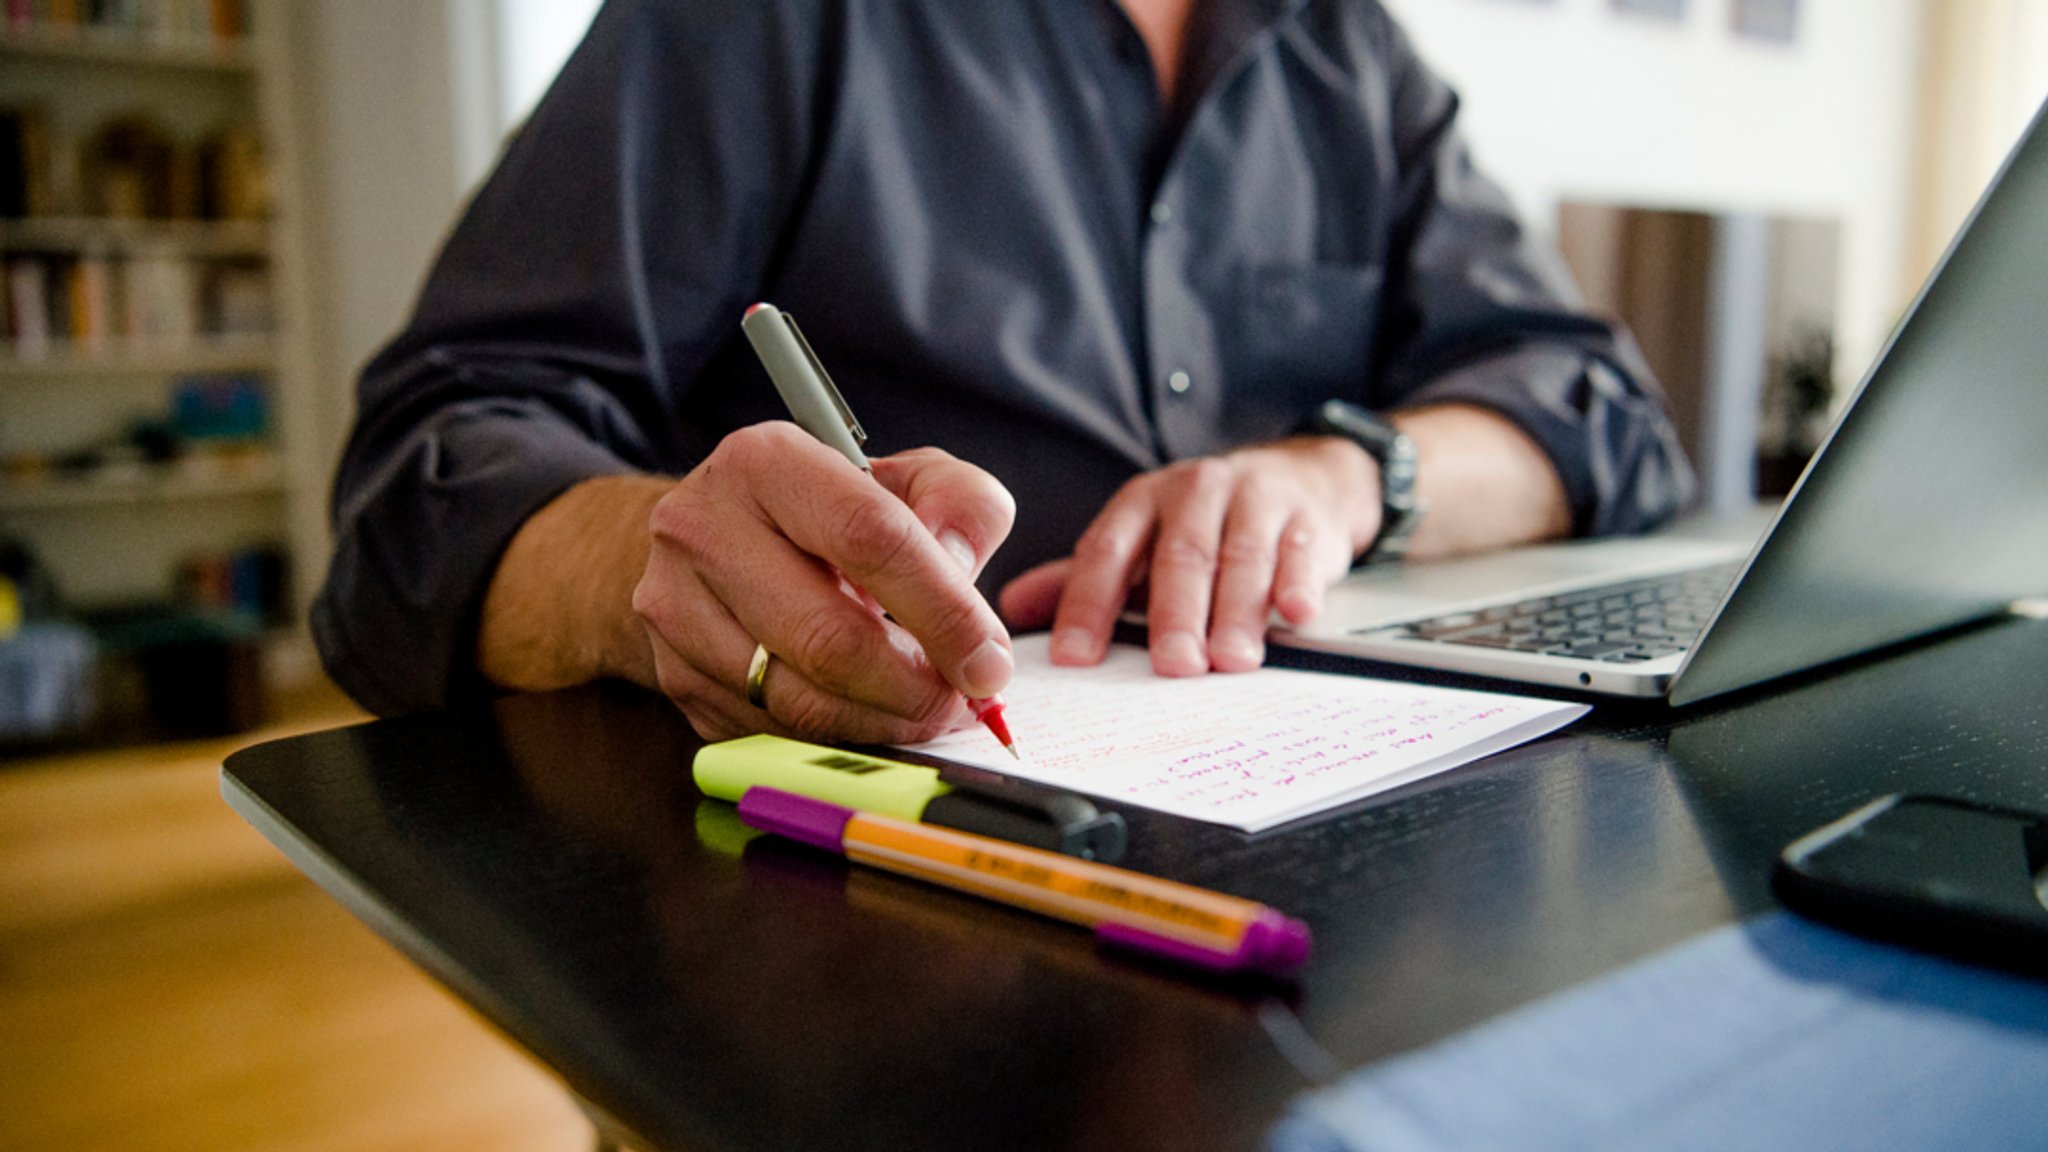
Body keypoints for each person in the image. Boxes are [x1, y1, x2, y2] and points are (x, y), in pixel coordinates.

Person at [313, 0, 1693, 744]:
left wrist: (1344, 478)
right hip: (836, 945)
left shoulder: (1350, 51)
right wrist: (647, 569)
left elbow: (1596, 410)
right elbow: (421, 483)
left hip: (1305, 887)